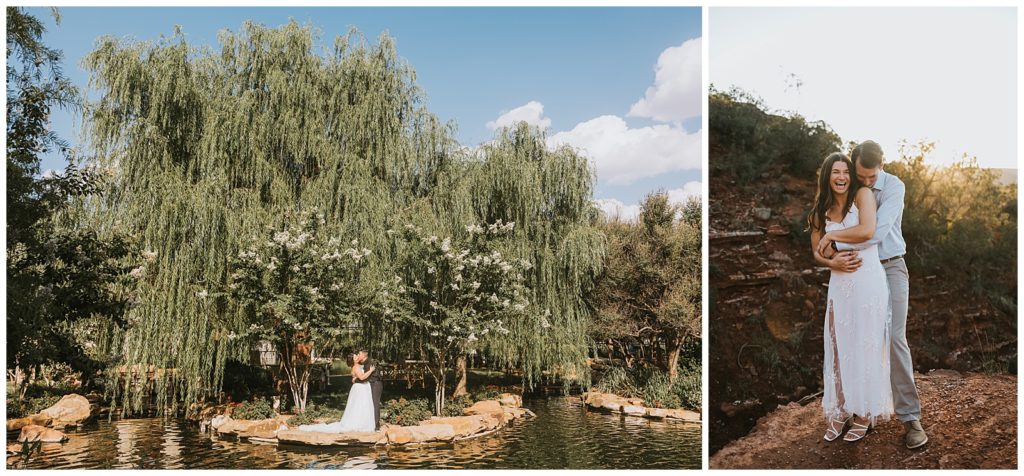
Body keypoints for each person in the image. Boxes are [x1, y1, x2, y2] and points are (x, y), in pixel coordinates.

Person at [818, 140, 927, 449]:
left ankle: (910, 418)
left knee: (892, 337)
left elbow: (875, 233)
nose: (864, 182)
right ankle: (857, 409)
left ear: (882, 165)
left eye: (870, 176)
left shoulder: (894, 187)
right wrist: (828, 256)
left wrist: (833, 241)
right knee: (850, 339)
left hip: (889, 266)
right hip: (854, 273)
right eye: (860, 175)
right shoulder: (849, 184)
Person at [808, 152, 893, 442]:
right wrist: (833, 263)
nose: (841, 177)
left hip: (868, 280)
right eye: (835, 172)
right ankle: (842, 409)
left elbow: (868, 230)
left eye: (845, 171)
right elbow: (816, 252)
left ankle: (864, 413)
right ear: (827, 176)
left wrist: (832, 238)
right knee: (839, 344)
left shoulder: (863, 195)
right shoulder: (820, 210)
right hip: (839, 282)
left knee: (866, 344)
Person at [296, 352, 376, 433]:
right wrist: (370, 371)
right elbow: (362, 377)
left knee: (359, 406)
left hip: (359, 388)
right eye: (356, 357)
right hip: (360, 389)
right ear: (353, 360)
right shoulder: (356, 367)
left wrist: (356, 378)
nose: (358, 357)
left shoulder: (357, 366)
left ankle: (361, 422)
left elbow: (357, 377)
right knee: (360, 406)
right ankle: (359, 423)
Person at [355, 349, 384, 431]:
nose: (358, 355)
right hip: (371, 384)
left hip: (375, 384)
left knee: (375, 404)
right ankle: (372, 423)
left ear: (364, 355)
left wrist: (357, 380)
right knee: (370, 404)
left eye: (359, 354)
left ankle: (376, 425)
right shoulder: (365, 363)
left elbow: (370, 377)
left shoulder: (370, 363)